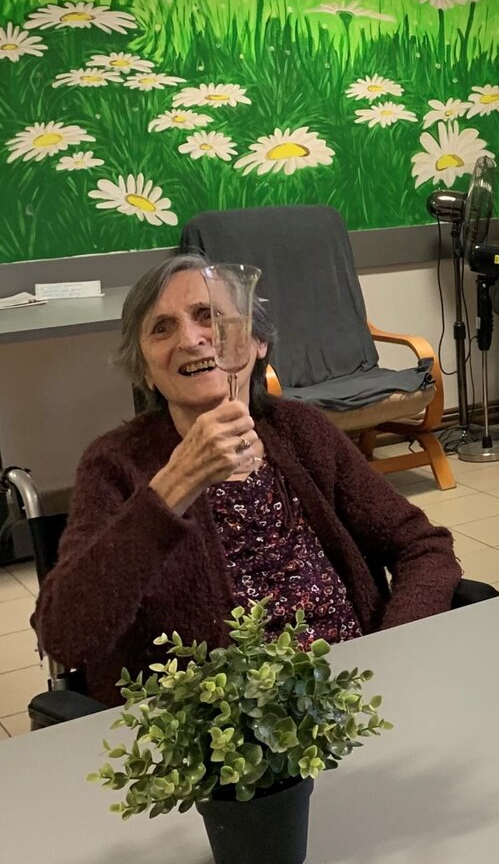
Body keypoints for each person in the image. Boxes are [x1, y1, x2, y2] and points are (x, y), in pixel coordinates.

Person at [34, 254, 463, 705]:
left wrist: (393, 650)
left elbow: (424, 546)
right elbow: (65, 636)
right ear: (145, 370)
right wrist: (174, 485)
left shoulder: (300, 431)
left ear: (257, 341)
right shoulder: (115, 465)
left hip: (356, 701)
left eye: (209, 316)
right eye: (162, 328)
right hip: (209, 728)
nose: (191, 339)